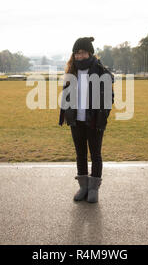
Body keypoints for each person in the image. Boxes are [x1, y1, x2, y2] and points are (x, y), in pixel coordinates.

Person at [58, 37, 114, 203]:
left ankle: (93, 188)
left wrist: (102, 116)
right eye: (76, 53)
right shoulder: (72, 72)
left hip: (94, 121)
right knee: (80, 154)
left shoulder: (101, 71)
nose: (79, 56)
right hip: (77, 121)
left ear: (89, 53)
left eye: (81, 52)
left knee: (95, 154)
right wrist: (67, 114)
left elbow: (109, 98)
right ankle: (83, 186)